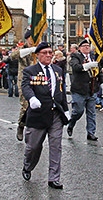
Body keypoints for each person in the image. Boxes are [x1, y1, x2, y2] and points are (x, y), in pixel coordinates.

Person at [21, 42, 69, 190]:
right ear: (38, 55)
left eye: (50, 52)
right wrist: (32, 98)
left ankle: (54, 178)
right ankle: (28, 166)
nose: (48, 55)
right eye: (45, 53)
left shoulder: (57, 70)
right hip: (38, 114)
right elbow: (26, 86)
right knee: (33, 147)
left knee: (56, 146)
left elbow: (61, 91)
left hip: (55, 114)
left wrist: (66, 109)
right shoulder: (30, 70)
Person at [66, 38, 100, 141]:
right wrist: (88, 65)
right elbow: (76, 67)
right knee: (78, 111)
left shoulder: (93, 57)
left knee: (91, 113)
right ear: (80, 48)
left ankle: (91, 133)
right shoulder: (76, 56)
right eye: (84, 46)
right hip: (79, 90)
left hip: (91, 89)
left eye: (88, 46)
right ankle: (71, 124)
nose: (87, 47)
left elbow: (98, 71)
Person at [12, 30, 37, 141]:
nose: (32, 41)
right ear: (27, 39)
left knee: (38, 106)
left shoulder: (38, 49)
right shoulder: (23, 50)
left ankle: (34, 131)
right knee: (26, 105)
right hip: (24, 81)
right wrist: (29, 50)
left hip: (38, 81)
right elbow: (13, 56)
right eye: (30, 38)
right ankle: (21, 125)